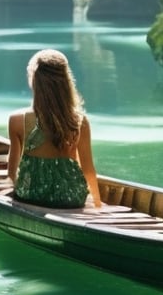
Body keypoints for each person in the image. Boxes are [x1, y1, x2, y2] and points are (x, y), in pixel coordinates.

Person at [7, 49, 102, 208]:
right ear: (66, 82)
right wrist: (98, 204)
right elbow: (88, 170)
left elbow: (11, 173)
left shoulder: (17, 120)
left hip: (31, 195)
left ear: (33, 80)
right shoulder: (79, 121)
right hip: (70, 197)